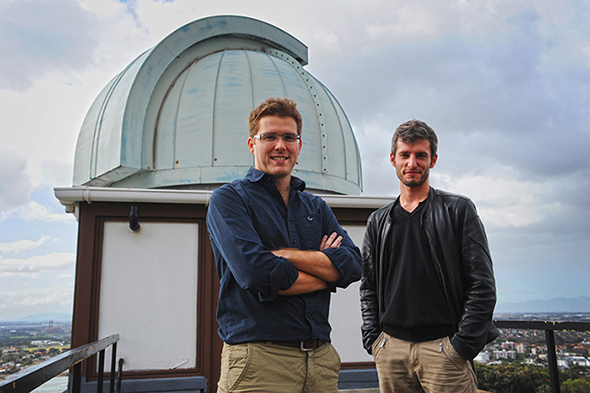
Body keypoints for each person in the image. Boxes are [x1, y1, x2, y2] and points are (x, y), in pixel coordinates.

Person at [207, 97, 362, 393]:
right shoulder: (229, 200)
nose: (280, 145)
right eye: (270, 137)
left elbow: (353, 264)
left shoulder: (315, 207)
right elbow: (258, 273)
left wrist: (283, 256)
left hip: (321, 362)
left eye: (289, 137)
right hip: (260, 362)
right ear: (252, 144)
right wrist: (327, 270)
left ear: (299, 146)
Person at [359, 119, 498, 392]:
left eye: (421, 155)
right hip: (391, 351)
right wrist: (374, 340)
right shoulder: (378, 221)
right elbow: (368, 286)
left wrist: (461, 346)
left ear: (432, 160)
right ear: (393, 159)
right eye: (405, 155)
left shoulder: (458, 211)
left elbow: (482, 284)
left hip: (444, 349)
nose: (412, 163)